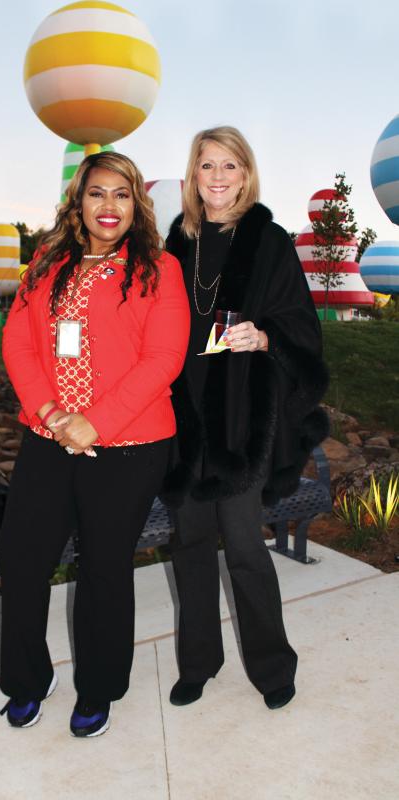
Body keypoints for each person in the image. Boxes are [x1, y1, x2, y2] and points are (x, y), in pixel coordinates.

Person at [0, 151, 190, 737]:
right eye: (97, 192)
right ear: (78, 200)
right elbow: (17, 343)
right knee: (22, 559)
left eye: (122, 194)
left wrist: (95, 423)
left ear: (137, 204)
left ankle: (99, 688)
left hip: (130, 444)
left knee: (104, 566)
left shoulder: (159, 268)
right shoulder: (46, 263)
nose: (109, 206)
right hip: (48, 434)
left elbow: (164, 358)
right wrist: (53, 413)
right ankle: (27, 680)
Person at [161, 126, 328, 710]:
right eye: (207, 165)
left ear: (246, 174)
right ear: (194, 175)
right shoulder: (177, 243)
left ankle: (273, 667)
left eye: (229, 165)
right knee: (190, 542)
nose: (218, 176)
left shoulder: (270, 241)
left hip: (241, 417)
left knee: (243, 545)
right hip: (183, 416)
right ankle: (198, 663)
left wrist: (265, 336)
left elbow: (302, 323)